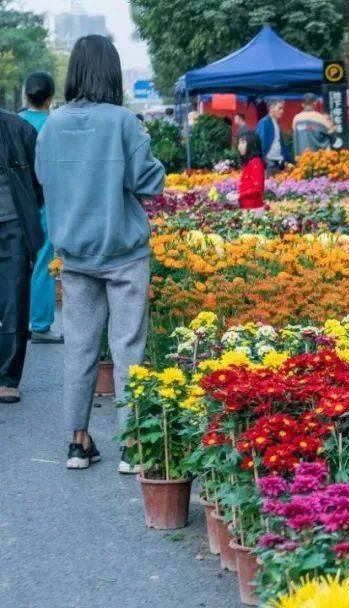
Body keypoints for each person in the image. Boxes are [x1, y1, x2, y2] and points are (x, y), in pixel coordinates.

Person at [35, 35, 165, 471]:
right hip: (124, 252)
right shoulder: (122, 122)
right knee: (128, 347)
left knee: (80, 348)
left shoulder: (52, 125)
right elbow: (150, 183)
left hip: (74, 253)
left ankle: (78, 442)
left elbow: (43, 181)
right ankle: (133, 447)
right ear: (111, 72)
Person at [0, 106, 44, 404]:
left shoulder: (20, 129)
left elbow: (38, 184)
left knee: (14, 300)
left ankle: (7, 378)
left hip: (12, 225)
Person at [18, 72, 62, 345]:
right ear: (51, 97)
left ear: (25, 95)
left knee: (13, 261)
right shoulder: (56, 124)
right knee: (44, 261)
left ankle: (11, 321)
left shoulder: (12, 122)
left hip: (13, 202)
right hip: (46, 202)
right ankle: (40, 324)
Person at [257, 98, 291, 176]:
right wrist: (263, 161)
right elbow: (261, 142)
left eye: (282, 109)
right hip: (269, 163)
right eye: (280, 108)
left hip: (277, 162)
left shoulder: (276, 124)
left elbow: (282, 145)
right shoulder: (264, 122)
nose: (282, 111)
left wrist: (290, 160)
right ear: (271, 108)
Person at [235, 132, 266, 210]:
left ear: (252, 145)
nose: (239, 146)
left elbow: (258, 189)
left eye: (243, 142)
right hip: (246, 208)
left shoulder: (256, 162)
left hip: (253, 209)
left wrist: (239, 195)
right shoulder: (249, 163)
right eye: (239, 143)